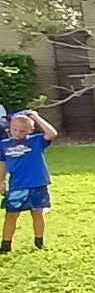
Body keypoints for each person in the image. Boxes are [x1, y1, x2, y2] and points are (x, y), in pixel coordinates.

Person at [1, 108, 57, 252]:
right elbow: (3, 164)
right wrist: (1, 181)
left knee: (37, 213)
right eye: (15, 130)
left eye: (23, 131)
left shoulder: (37, 141)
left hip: (38, 183)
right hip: (17, 185)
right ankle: (6, 245)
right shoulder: (4, 145)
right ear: (10, 128)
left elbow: (51, 134)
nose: (18, 133)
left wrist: (36, 117)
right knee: (11, 214)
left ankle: (39, 241)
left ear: (30, 130)